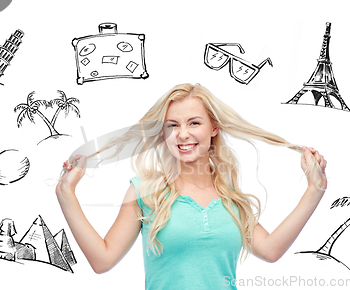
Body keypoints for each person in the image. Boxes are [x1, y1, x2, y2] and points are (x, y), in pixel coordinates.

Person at [55, 83, 327, 289]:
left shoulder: (231, 198)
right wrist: (66, 194)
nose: (182, 134)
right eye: (172, 125)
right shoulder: (146, 191)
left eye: (194, 123)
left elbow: (270, 250)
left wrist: (314, 190)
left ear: (214, 128)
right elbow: (103, 260)